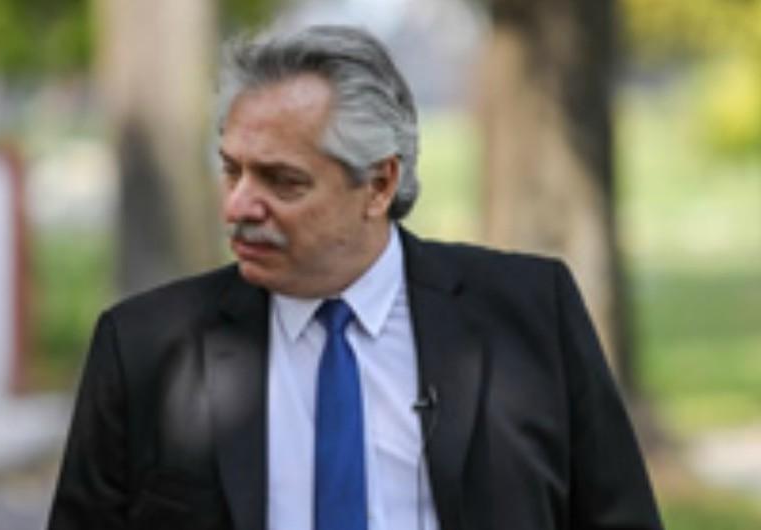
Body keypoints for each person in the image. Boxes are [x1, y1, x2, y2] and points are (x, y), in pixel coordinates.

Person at [48, 25, 663, 530]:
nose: (239, 206)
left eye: (282, 181)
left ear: (378, 184)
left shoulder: (530, 314)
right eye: (232, 170)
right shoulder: (144, 348)